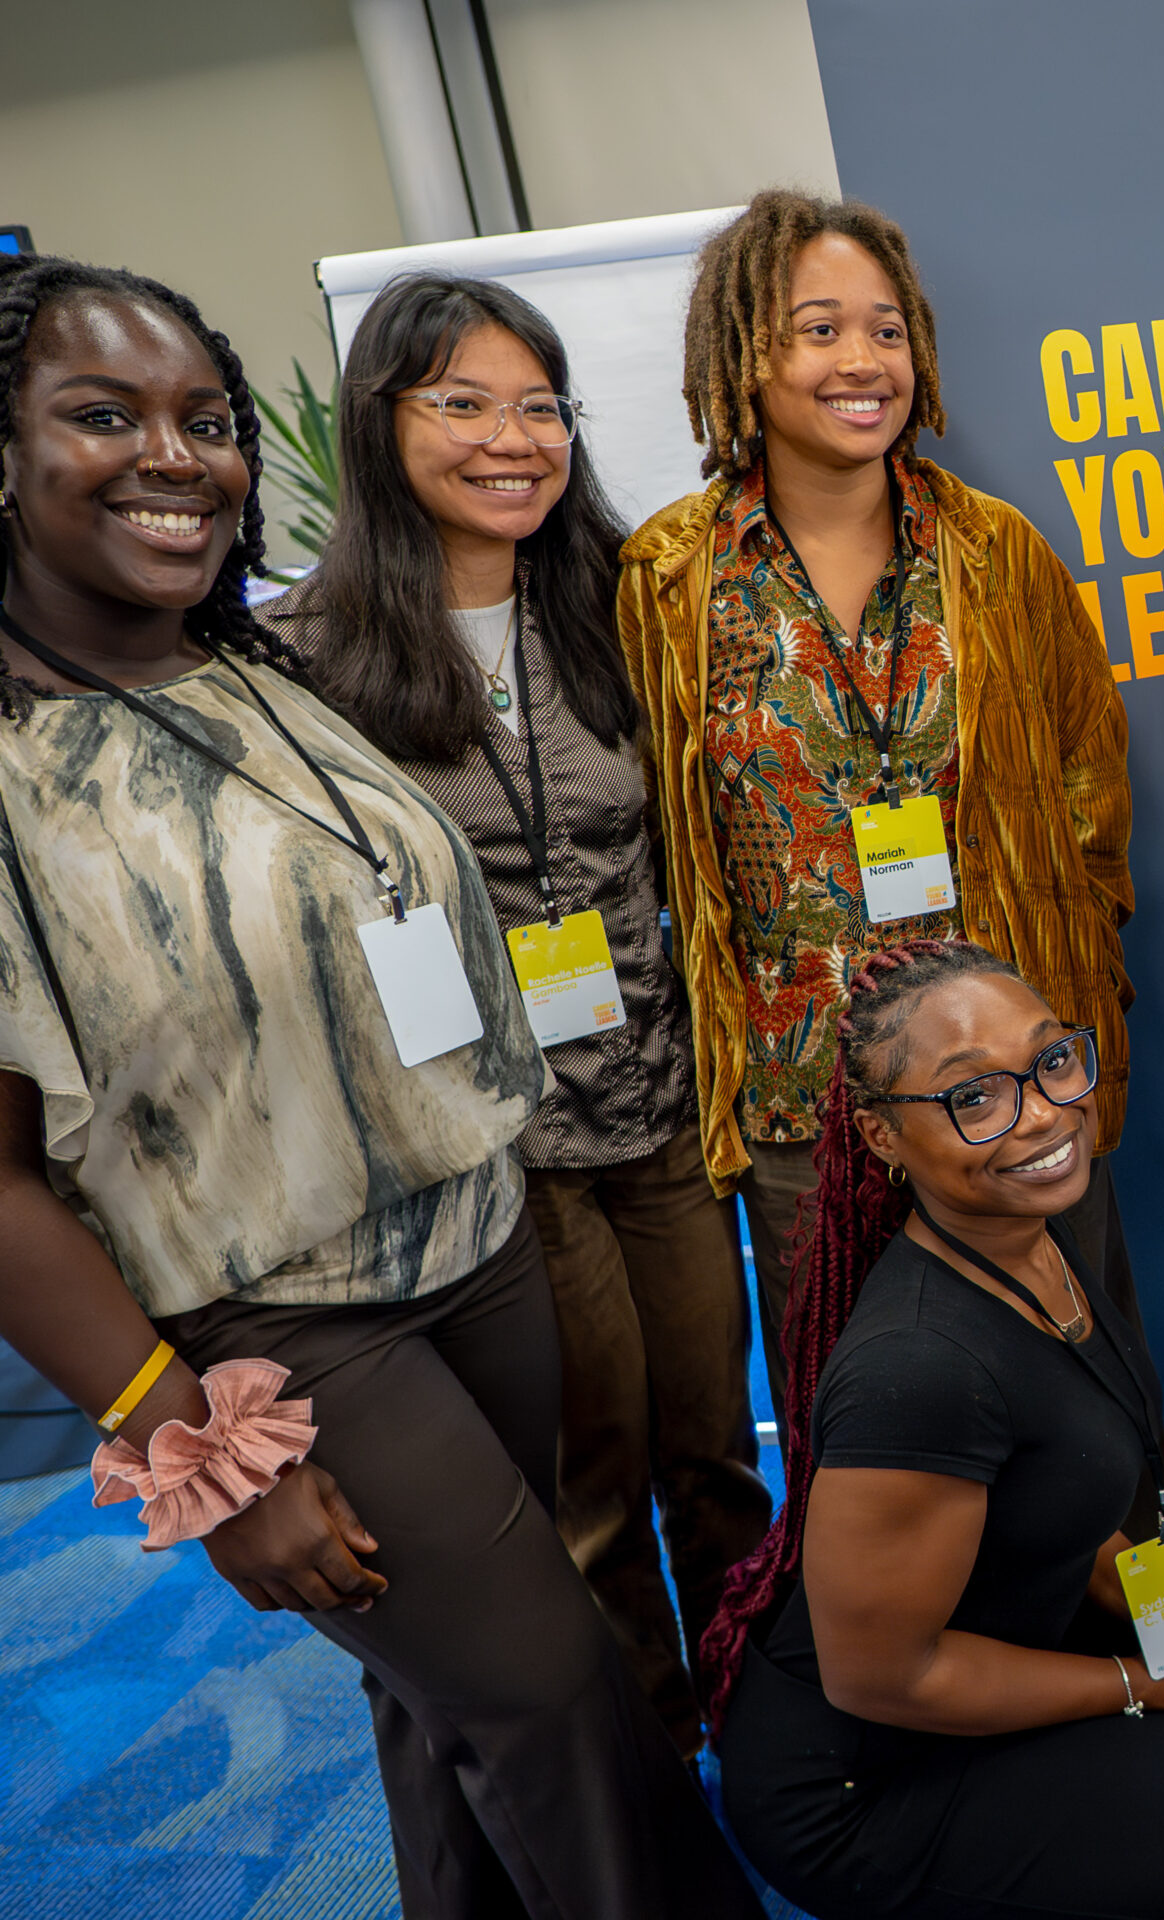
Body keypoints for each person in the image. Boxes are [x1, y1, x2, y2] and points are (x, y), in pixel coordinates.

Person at [0, 256, 758, 1918]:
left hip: (483, 1241)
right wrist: (195, 1446)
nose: (177, 454)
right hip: (292, 1312)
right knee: (553, 1697)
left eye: (204, 418)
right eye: (103, 416)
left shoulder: (244, 671)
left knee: (444, 1706)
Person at [267, 270, 769, 1757]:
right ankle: (643, 1744)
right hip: (492, 1142)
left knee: (714, 1441)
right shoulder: (306, 656)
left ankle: (762, 1708)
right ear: (382, 424)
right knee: (590, 1469)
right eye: (465, 403)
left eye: (540, 405)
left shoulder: (623, 602)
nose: (514, 438)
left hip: (661, 1097)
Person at [617, 191, 1145, 1445]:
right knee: (868, 1431)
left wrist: (1079, 975)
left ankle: (1162, 1639)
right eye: (818, 330)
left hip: (1016, 1083)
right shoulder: (669, 578)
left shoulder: (996, 552)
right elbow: (652, 833)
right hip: (814, 1105)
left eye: (887, 329)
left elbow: (1091, 790)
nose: (863, 361)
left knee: (1094, 1405)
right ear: (743, 357)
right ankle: (892, 1648)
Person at [706, 938, 1164, 1919]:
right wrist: (1151, 1685)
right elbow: (884, 1678)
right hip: (874, 1776)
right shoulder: (915, 1369)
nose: (1044, 1115)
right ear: (882, 1137)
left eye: (1052, 1060)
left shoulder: (1042, 1232)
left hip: (1010, 1620)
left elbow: (1071, 1510)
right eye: (973, 1097)